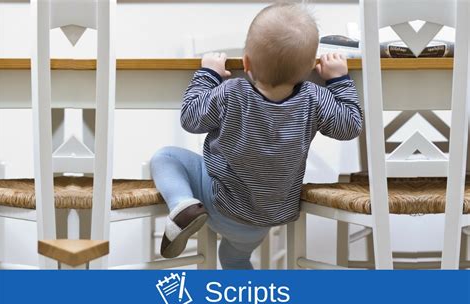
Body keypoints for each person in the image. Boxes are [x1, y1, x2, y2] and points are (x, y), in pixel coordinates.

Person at [150, 2, 362, 269]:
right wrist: (339, 80)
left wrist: (208, 74)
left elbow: (191, 117)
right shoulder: (314, 98)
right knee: (234, 258)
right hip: (264, 219)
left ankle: (182, 204)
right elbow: (351, 125)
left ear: (246, 62)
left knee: (166, 157)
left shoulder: (232, 91)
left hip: (219, 201)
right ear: (311, 66)